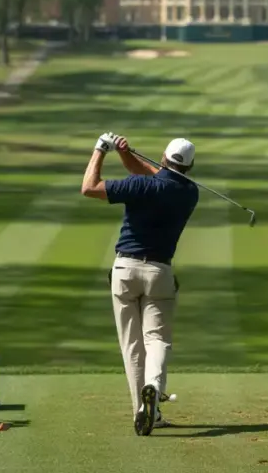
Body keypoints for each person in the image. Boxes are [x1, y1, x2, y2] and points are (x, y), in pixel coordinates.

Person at [80, 132, 200, 436]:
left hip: (124, 270)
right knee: (156, 339)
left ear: (163, 156)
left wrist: (101, 150)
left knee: (132, 346)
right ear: (190, 166)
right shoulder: (189, 193)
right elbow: (163, 179)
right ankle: (154, 389)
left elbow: (89, 188)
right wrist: (125, 154)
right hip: (159, 272)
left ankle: (141, 411)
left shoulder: (140, 185)